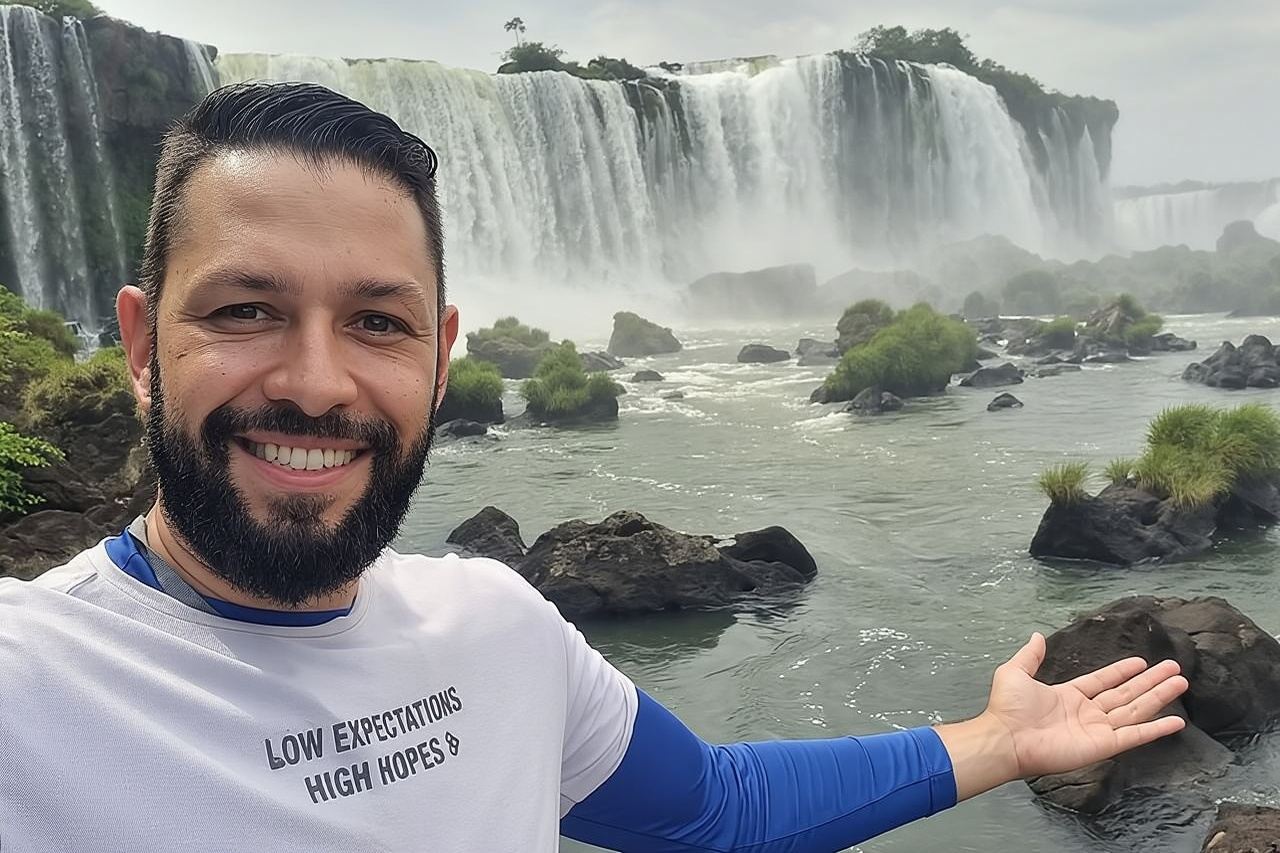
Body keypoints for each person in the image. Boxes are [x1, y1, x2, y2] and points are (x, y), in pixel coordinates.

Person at [0, 82, 1189, 852]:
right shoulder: (34, 686)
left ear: (440, 359)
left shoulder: (496, 624)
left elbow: (715, 805)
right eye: (246, 309)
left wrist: (997, 740)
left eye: (376, 322)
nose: (317, 382)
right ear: (143, 347)